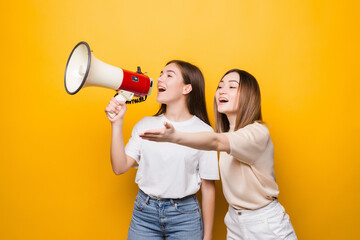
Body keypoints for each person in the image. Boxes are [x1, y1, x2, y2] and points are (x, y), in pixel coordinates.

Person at [140, 69, 298, 240]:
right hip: (234, 222)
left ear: (249, 95)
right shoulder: (227, 133)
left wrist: (175, 137)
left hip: (264, 223)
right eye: (220, 86)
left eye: (232, 86)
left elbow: (216, 142)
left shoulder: (258, 133)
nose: (222, 91)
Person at [105, 60, 219, 240]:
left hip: (185, 217)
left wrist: (208, 236)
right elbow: (119, 167)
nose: (159, 79)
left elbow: (208, 187)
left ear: (186, 88)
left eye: (169, 75)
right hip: (144, 214)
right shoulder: (145, 124)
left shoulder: (205, 132)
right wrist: (117, 124)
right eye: (161, 74)